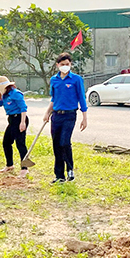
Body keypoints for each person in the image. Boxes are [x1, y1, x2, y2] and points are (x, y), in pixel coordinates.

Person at [43, 53, 88, 183]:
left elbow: (81, 98)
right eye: (62, 65)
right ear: (57, 65)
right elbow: (54, 98)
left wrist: (84, 117)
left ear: (70, 65)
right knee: (56, 145)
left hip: (70, 115)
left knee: (64, 142)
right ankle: (59, 176)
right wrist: (47, 113)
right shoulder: (54, 80)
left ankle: (70, 171)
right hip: (56, 116)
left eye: (67, 64)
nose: (65, 67)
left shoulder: (76, 79)